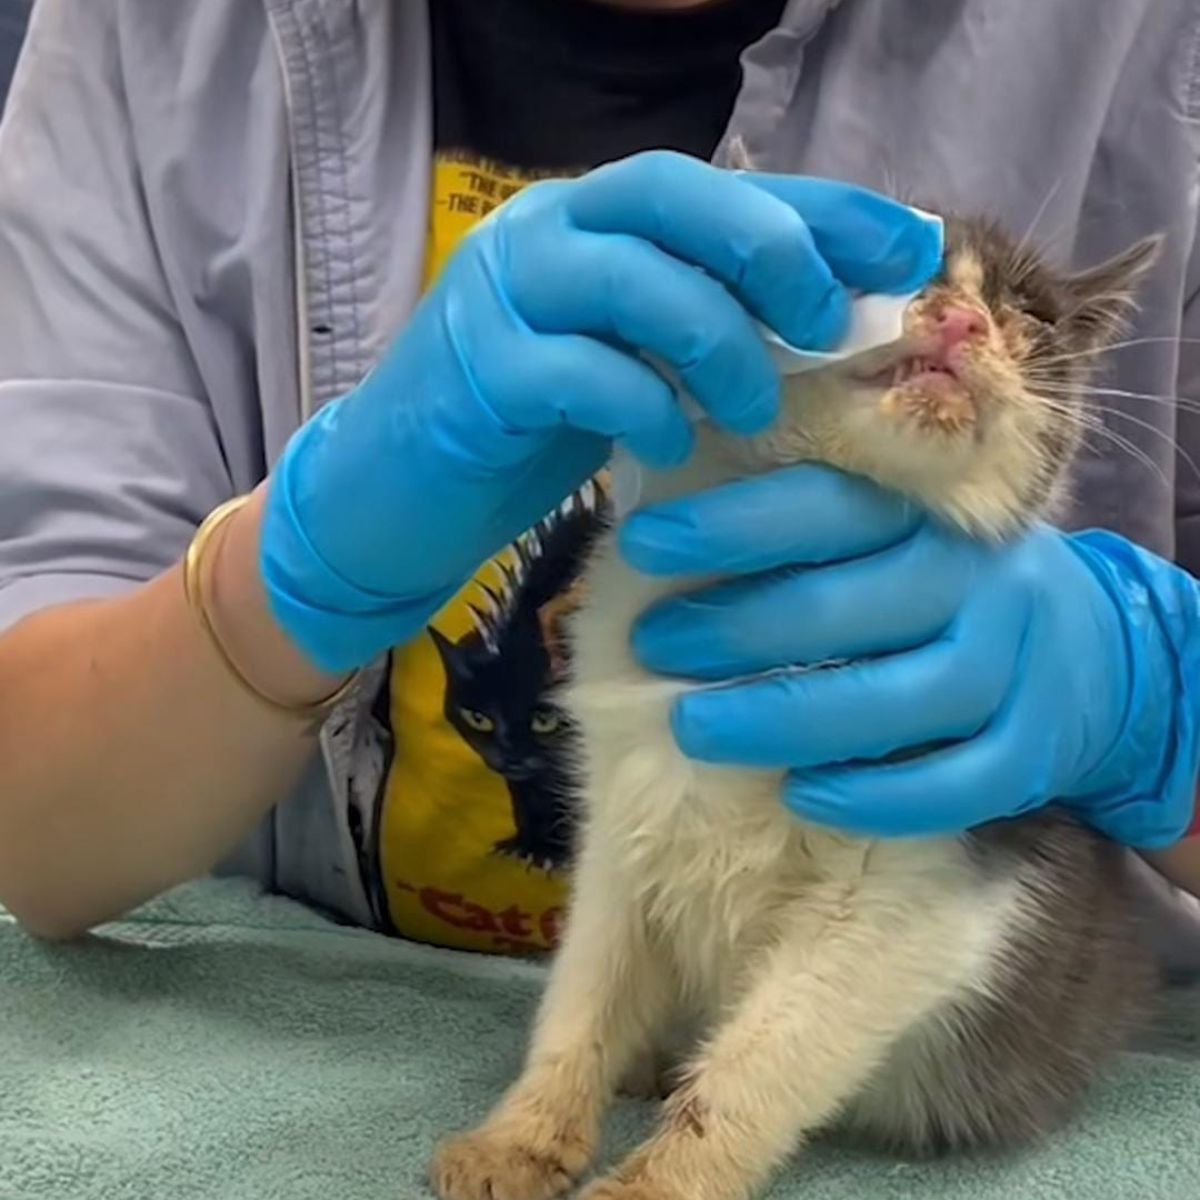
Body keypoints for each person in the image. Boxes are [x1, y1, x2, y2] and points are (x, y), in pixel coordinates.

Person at [0, 0, 1198, 957]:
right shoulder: (151, 30)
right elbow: (36, 831)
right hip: (337, 1012)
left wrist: (1152, 705)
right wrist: (280, 585)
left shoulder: (1141, 34)